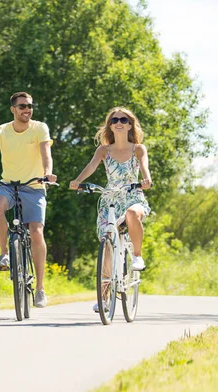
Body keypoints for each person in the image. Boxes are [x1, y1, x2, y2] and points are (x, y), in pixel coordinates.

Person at [0, 92, 57, 308]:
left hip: (34, 186)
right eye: (22, 106)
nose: (27, 110)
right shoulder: (1, 131)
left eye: (30, 106)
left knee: (36, 232)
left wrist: (48, 173)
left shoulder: (40, 128)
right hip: (8, 185)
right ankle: (4, 254)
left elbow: (46, 153)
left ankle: (40, 289)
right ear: (13, 109)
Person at [69, 107, 152, 312]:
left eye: (124, 119)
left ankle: (137, 256)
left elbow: (144, 166)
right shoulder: (103, 150)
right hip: (110, 200)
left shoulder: (138, 148)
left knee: (133, 214)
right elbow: (91, 166)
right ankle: (104, 298)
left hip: (132, 195)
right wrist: (78, 181)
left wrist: (147, 179)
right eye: (114, 119)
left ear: (130, 124)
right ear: (110, 125)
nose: (119, 122)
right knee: (107, 244)